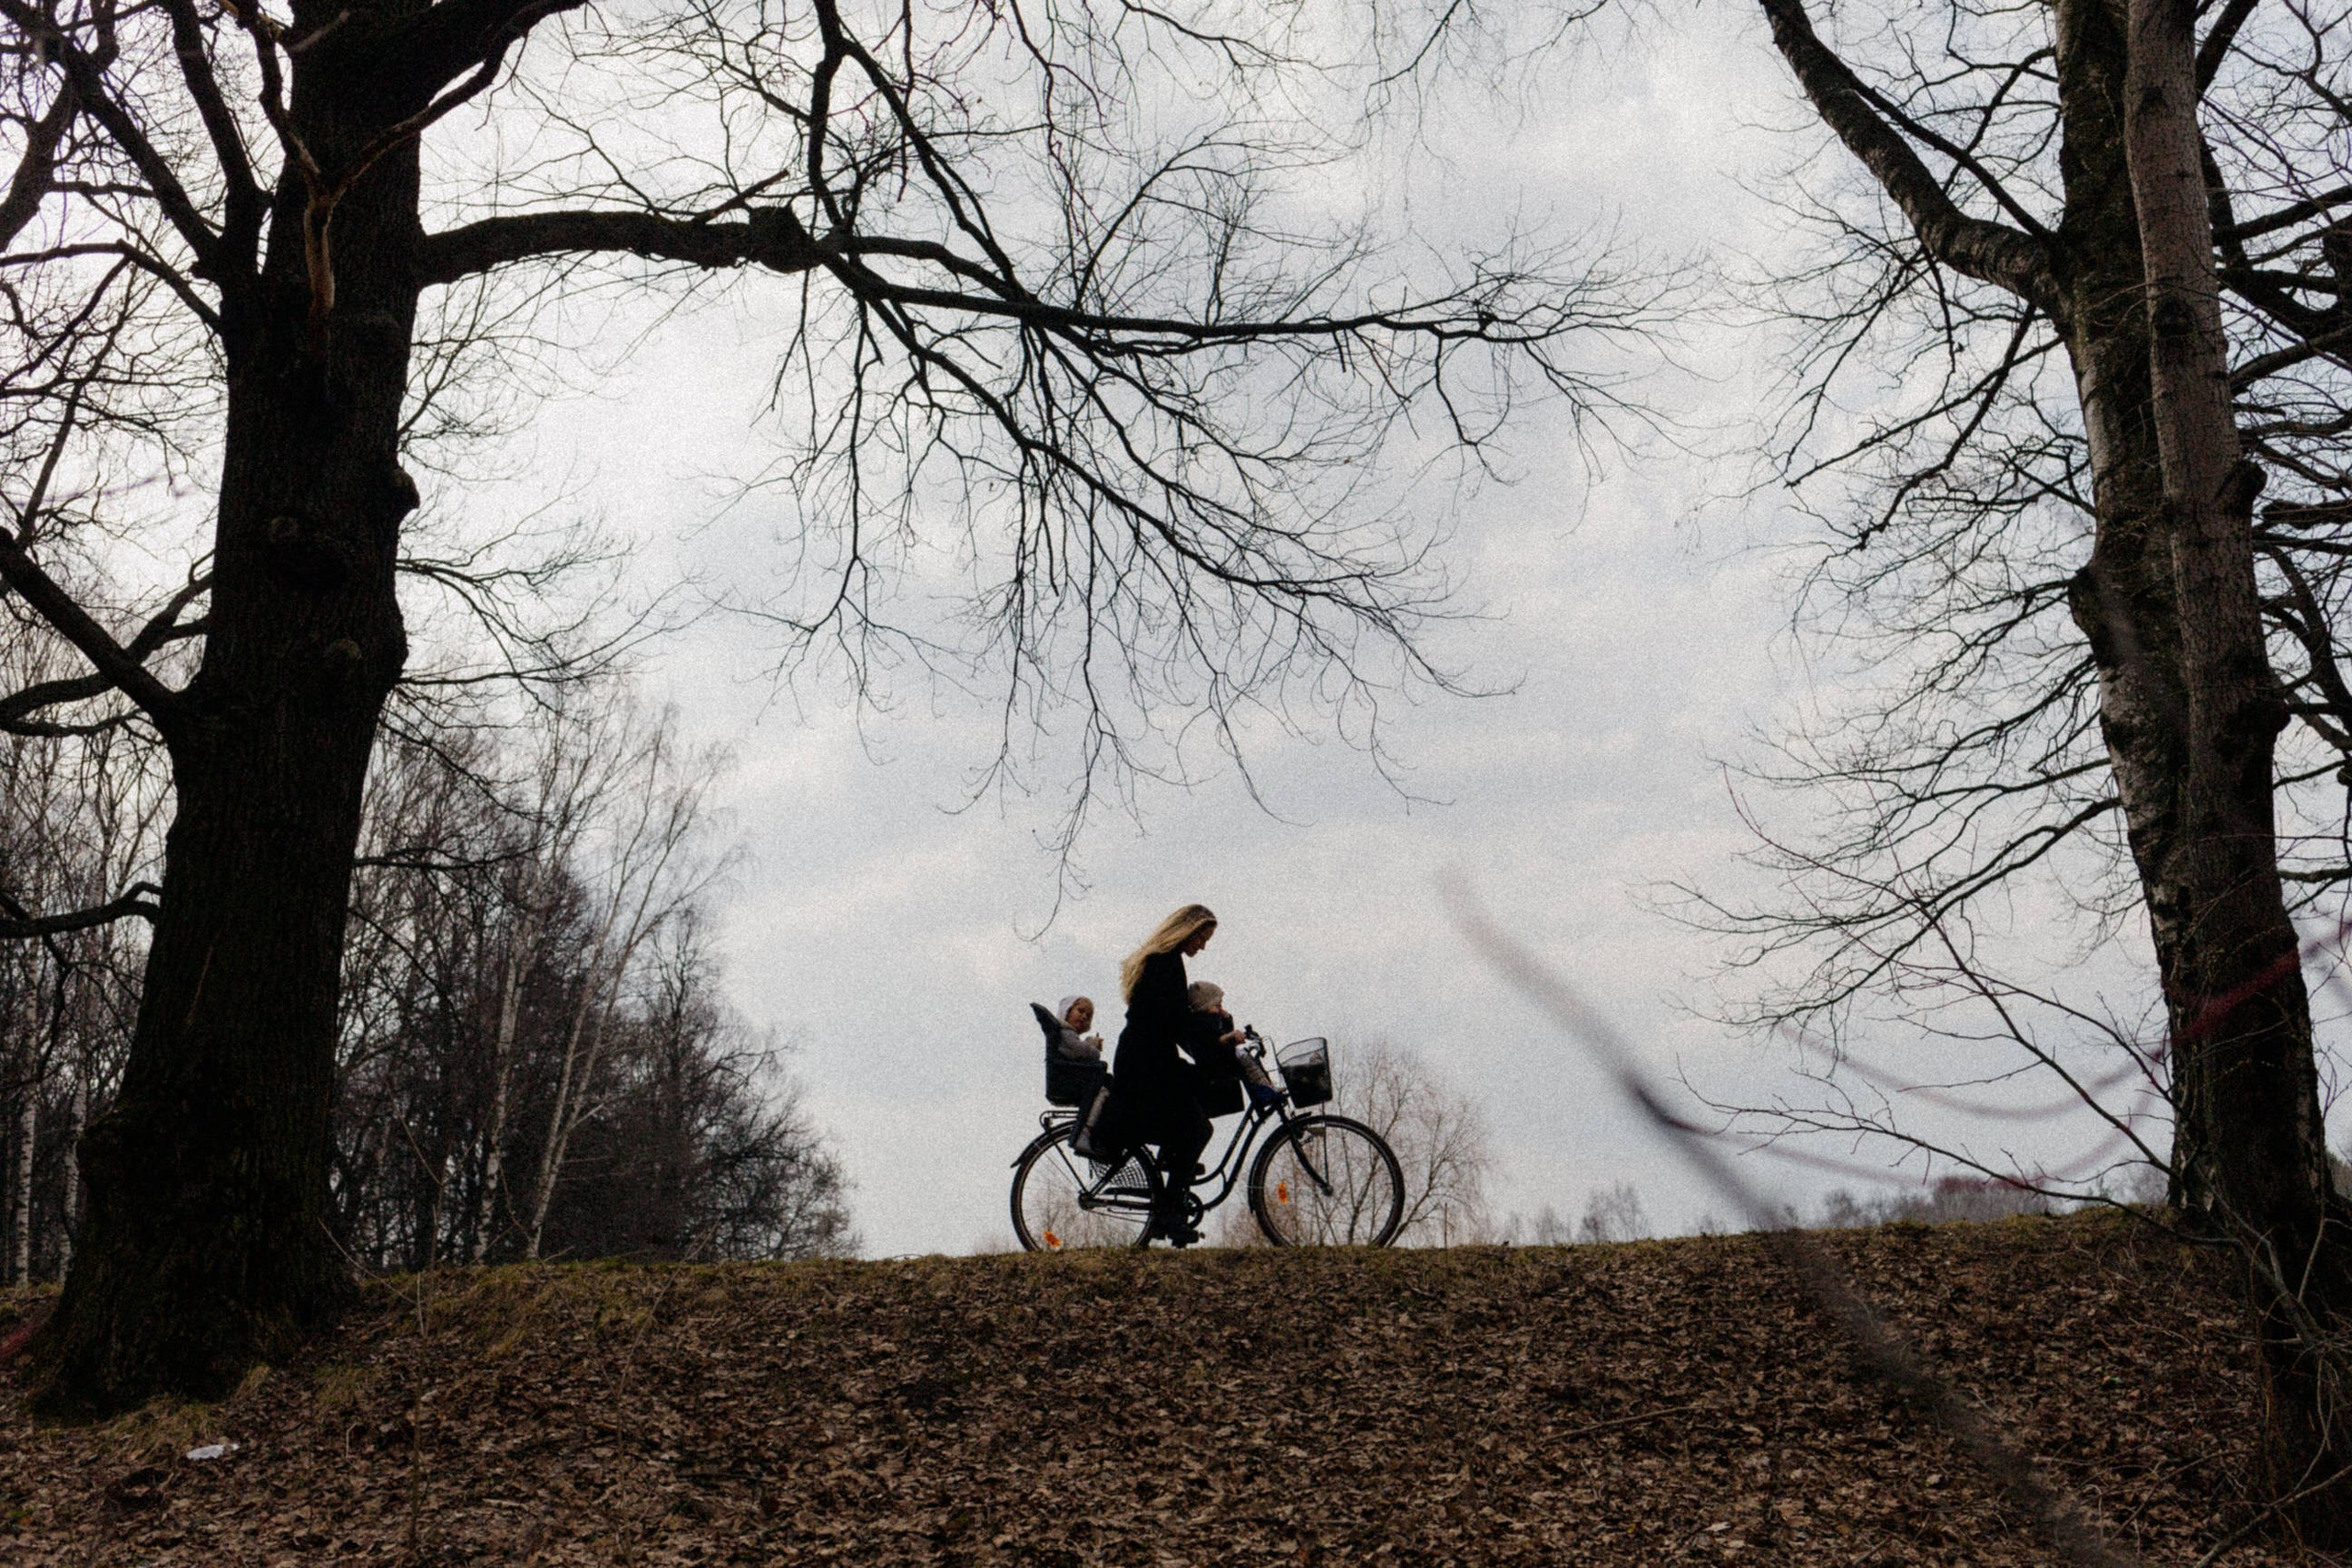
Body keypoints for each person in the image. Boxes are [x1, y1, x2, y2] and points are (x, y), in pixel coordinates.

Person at [1110, 902, 1221, 1245]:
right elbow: (1176, 1023)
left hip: (1146, 1058)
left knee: (1194, 1113)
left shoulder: (1163, 962)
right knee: (1197, 1127)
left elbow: (1174, 1021)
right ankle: (1168, 1213)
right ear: (1188, 930)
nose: (1202, 947)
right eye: (1202, 938)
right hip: (1147, 1064)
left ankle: (1172, 1170)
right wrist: (1214, 1040)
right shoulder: (1166, 964)